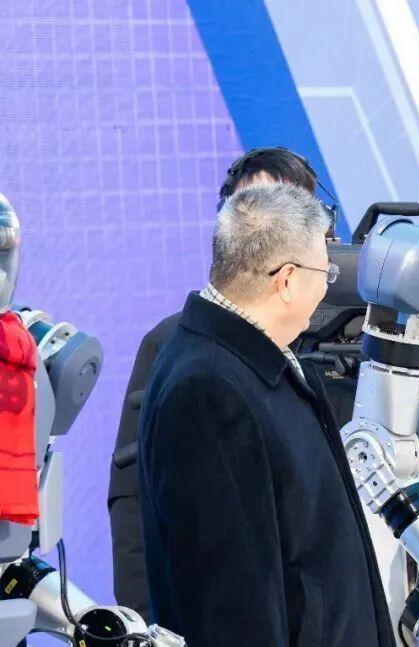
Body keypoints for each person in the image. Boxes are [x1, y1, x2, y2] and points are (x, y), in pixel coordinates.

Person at [138, 184, 393, 646]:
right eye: (326, 271)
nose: (328, 286)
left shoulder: (256, 365)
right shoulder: (209, 391)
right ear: (288, 280)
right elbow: (230, 603)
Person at [107, 147, 330, 617]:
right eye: (253, 210)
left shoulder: (357, 346)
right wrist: (144, 621)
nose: (269, 227)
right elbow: (134, 497)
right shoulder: (175, 347)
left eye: (290, 211)